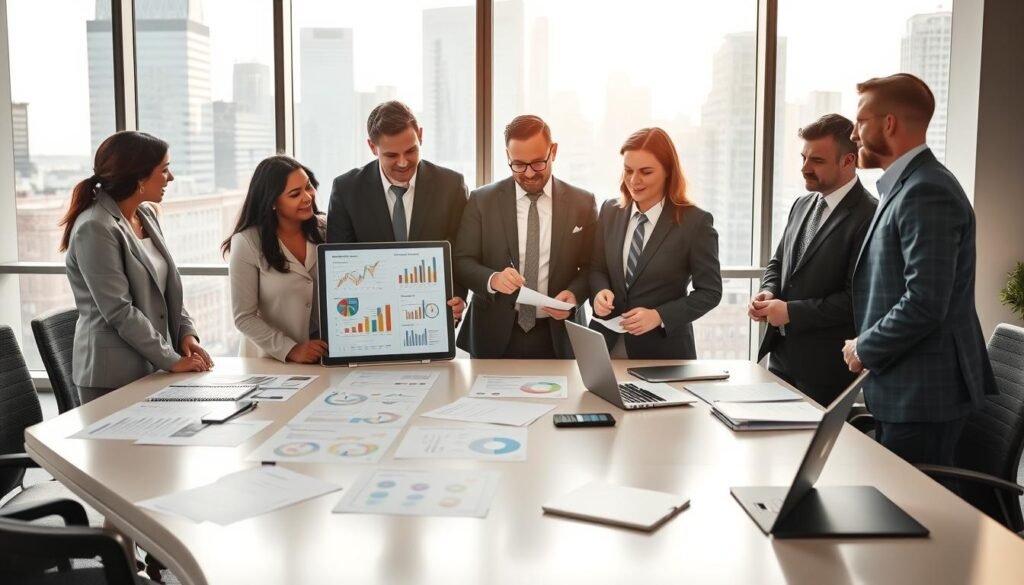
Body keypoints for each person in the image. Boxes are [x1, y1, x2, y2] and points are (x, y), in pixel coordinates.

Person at [842, 73, 997, 467]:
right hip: (907, 390)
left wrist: (865, 346)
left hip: (924, 396)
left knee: (914, 518)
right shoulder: (905, 187)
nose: (854, 134)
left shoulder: (927, 190)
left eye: (860, 122)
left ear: (888, 123)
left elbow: (926, 301)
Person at [60, 131, 213, 403]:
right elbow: (118, 310)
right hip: (113, 376)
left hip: (153, 365)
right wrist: (170, 359)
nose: (172, 178)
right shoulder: (95, 227)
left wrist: (186, 334)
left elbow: (165, 288)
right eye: (165, 170)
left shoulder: (146, 215)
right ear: (140, 177)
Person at [750, 114, 877, 406]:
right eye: (803, 157)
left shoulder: (870, 216)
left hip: (826, 370)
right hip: (781, 358)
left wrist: (791, 312)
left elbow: (856, 300)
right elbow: (778, 263)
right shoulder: (802, 203)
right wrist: (768, 292)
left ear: (848, 161)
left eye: (817, 160)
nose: (804, 168)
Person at [454, 115, 598, 358]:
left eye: (538, 163)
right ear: (507, 157)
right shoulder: (481, 201)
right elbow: (462, 260)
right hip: (493, 333)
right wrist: (493, 279)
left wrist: (575, 295)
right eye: (518, 165)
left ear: (553, 151)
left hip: (559, 336)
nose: (529, 173)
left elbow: (592, 266)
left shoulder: (583, 203)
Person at [327, 100, 469, 321]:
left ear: (420, 135)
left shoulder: (451, 185)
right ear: (372, 147)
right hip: (371, 318)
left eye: (411, 151)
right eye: (392, 155)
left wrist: (459, 296)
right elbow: (339, 263)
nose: (403, 163)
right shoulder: (346, 190)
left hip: (431, 315)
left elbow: (462, 252)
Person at [590, 127, 722, 359]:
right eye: (628, 170)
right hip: (606, 345)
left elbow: (710, 292)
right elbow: (596, 267)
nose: (634, 180)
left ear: (668, 171)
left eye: (646, 172)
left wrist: (659, 316)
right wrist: (600, 292)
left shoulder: (695, 222)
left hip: (663, 351)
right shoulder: (610, 211)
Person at [223, 155, 328, 363]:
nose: (308, 197)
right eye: (295, 194)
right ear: (272, 202)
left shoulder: (326, 229)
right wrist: (292, 349)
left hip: (322, 356)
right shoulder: (247, 242)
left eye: (308, 187)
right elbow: (244, 316)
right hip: (270, 361)